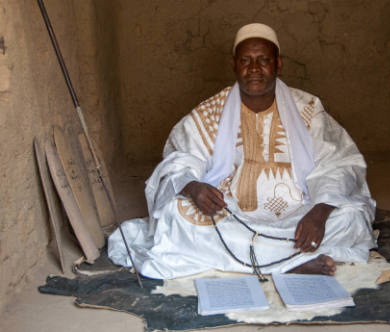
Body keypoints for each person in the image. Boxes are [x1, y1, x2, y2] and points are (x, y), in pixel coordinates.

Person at [108, 23, 376, 280]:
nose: (254, 69)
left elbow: (340, 163)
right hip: (230, 214)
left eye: (264, 60)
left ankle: (262, 260)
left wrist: (319, 212)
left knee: (350, 217)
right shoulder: (211, 112)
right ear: (234, 64)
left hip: (300, 213)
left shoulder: (308, 108)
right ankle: (291, 262)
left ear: (278, 64)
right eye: (246, 61)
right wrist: (193, 187)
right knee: (177, 215)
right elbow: (180, 160)